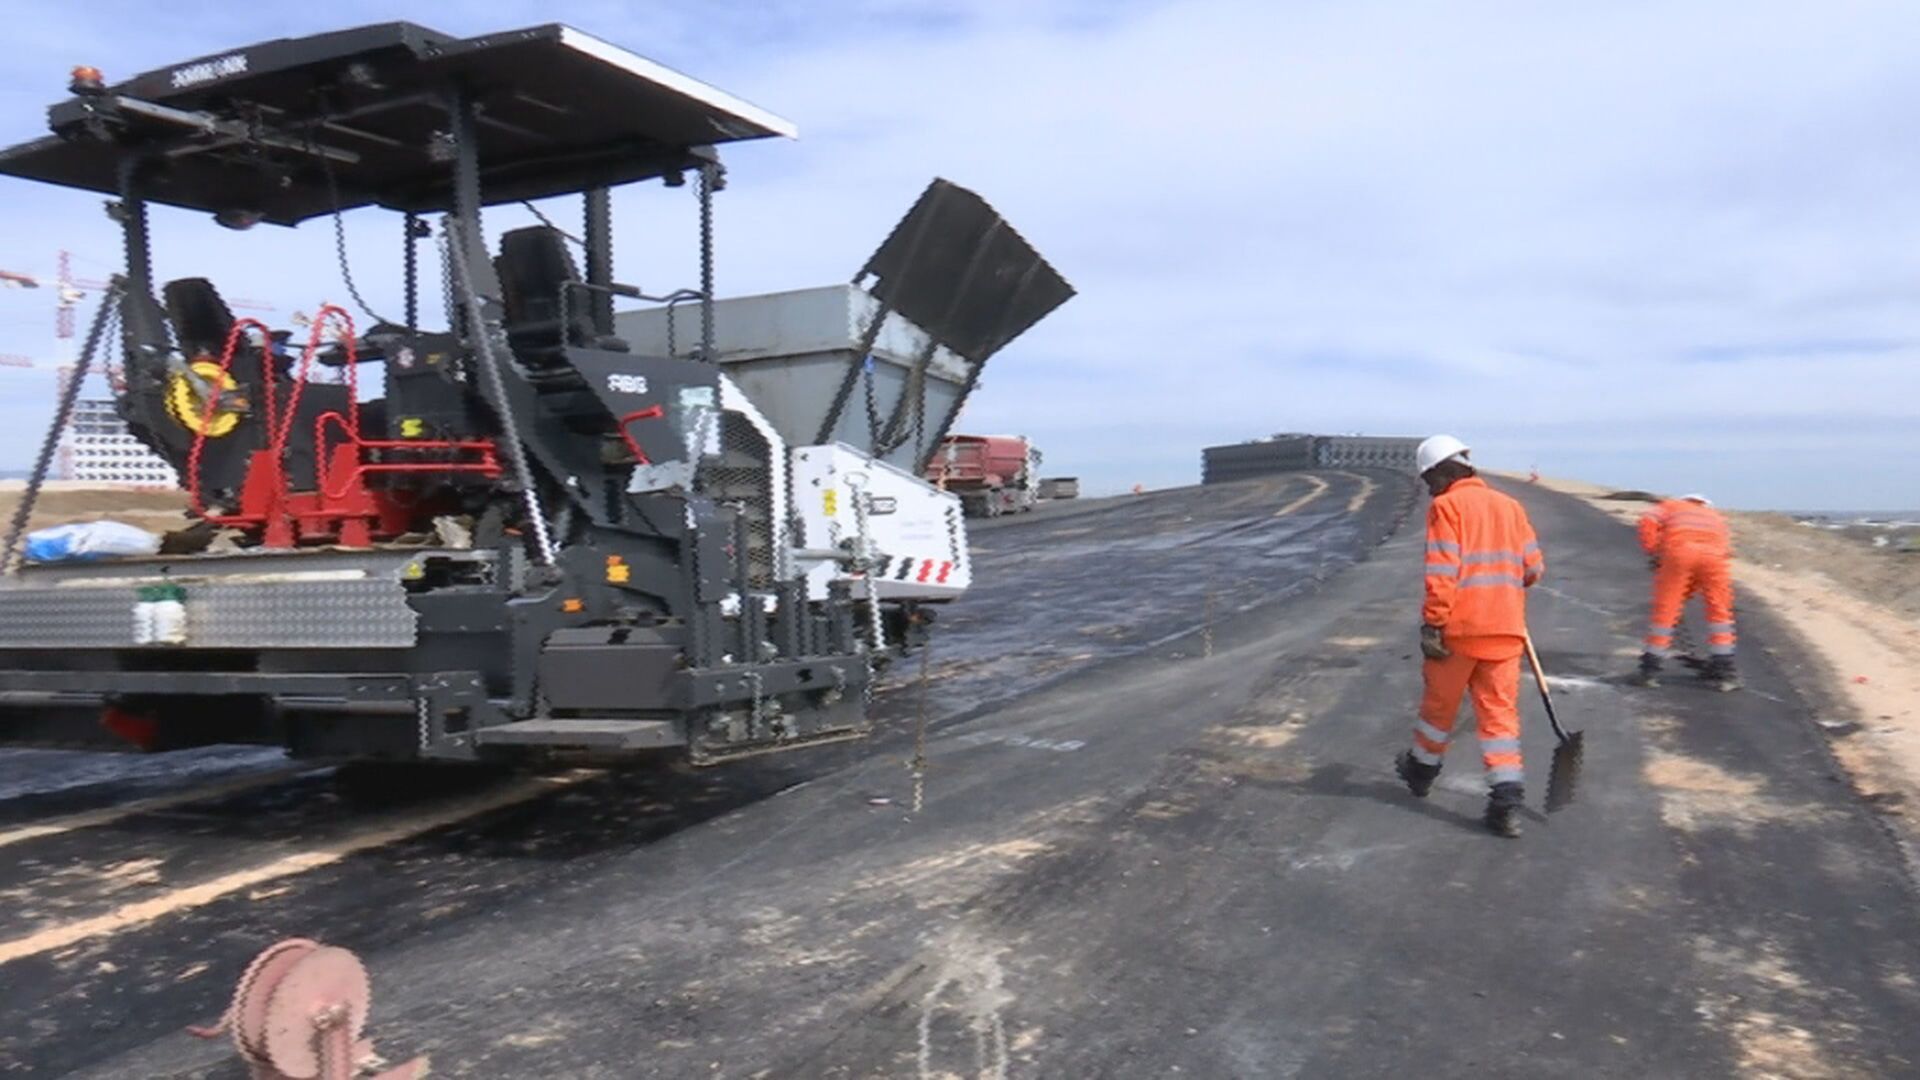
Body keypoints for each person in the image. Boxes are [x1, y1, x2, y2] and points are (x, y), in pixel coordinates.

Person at [1395, 435, 1546, 838]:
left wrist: (1433, 623)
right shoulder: (1511, 507)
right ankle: (1507, 803)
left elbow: (1442, 573)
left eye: (1429, 479)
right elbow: (1533, 569)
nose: (1429, 488)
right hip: (1506, 630)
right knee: (1499, 718)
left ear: (1445, 471)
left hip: (1460, 631)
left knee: (1439, 708)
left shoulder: (1447, 507)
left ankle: (1422, 772)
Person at [1635, 494, 1738, 691]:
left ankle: (1649, 670)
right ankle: (1725, 672)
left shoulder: (1670, 506)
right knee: (1720, 612)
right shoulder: (1715, 515)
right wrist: (1688, 591)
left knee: (1666, 611)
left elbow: (1647, 522)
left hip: (1679, 551)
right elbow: (1723, 547)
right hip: (1715, 557)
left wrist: (1654, 552)